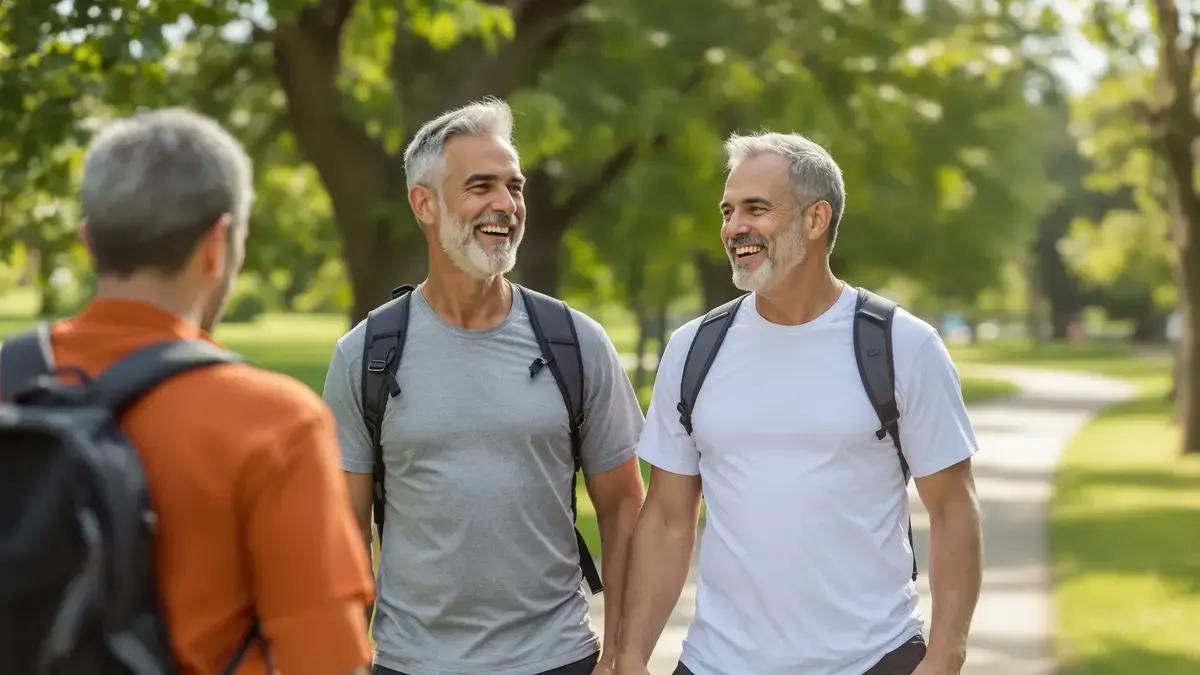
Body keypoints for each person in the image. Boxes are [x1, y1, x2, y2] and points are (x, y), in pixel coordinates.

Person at [0, 108, 375, 675]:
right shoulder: (276, 423)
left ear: (88, 242)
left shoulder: (10, 384)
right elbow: (326, 661)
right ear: (216, 246)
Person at [615, 132, 984, 675]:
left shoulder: (902, 345)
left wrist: (946, 655)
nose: (734, 227)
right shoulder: (694, 348)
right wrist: (630, 655)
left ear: (816, 220)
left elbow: (953, 510)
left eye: (756, 209)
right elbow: (669, 519)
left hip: (870, 660)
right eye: (728, 211)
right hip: (715, 663)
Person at [321, 97, 647, 675]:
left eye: (514, 187)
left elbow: (623, 507)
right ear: (424, 203)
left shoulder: (577, 343)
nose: (506, 204)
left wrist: (622, 656)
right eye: (480, 186)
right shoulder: (365, 355)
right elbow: (343, 531)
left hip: (559, 660)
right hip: (410, 664)